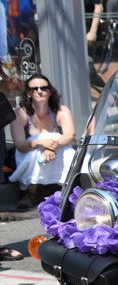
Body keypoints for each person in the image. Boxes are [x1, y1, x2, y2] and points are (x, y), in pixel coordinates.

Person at [9, 74, 74, 212]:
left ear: (50, 91)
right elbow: (20, 144)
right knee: (35, 148)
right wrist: (40, 142)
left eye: (44, 88)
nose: (39, 91)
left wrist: (51, 146)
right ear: (28, 93)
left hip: (56, 151)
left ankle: (67, 190)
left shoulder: (61, 110)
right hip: (30, 153)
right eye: (34, 89)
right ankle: (30, 192)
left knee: (66, 149)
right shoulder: (19, 113)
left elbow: (69, 135)